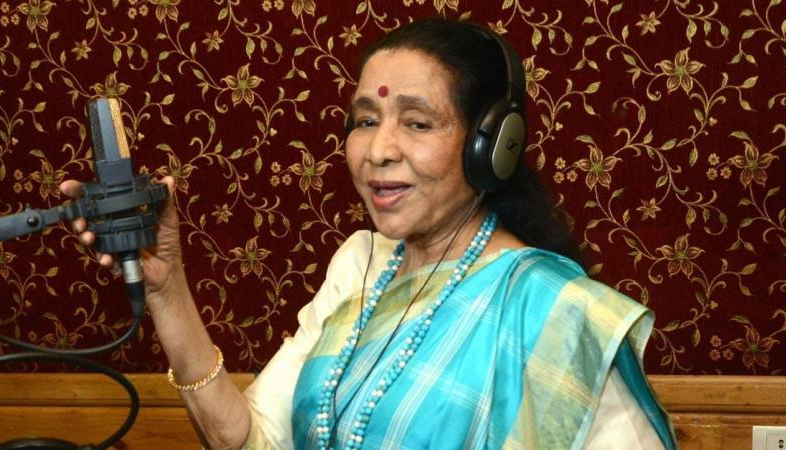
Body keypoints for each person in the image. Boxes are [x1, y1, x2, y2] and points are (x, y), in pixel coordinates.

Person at [62, 18, 674, 450]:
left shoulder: (560, 315)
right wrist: (167, 288)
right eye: (364, 120)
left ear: (492, 146)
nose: (378, 150)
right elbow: (247, 439)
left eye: (417, 123)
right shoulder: (359, 264)